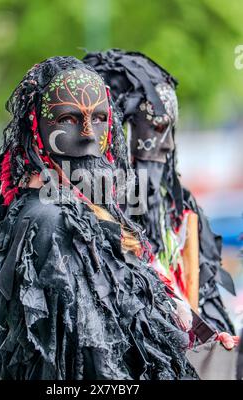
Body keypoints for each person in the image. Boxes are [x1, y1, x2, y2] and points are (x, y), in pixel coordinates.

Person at [0, 56, 198, 380]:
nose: (88, 134)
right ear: (37, 129)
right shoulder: (49, 222)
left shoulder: (90, 213)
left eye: (99, 119)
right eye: (68, 118)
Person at [83, 49, 237, 336]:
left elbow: (204, 303)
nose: (167, 146)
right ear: (120, 130)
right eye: (156, 128)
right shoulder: (81, 215)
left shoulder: (181, 212)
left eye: (171, 131)